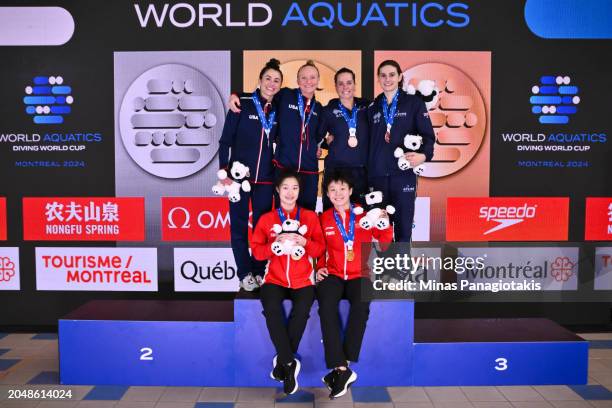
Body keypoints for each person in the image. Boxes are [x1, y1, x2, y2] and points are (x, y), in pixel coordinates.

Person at [315, 170, 393, 398]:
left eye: (342, 189)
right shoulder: (324, 218)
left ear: (350, 191)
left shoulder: (364, 215)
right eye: (332, 190)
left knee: (361, 307)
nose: (337, 194)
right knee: (326, 308)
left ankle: (341, 367)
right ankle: (342, 368)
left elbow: (386, 244)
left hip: (361, 273)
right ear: (327, 194)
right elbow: (320, 248)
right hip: (333, 274)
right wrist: (319, 266)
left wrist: (385, 225)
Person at [251, 170, 326, 395]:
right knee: (272, 310)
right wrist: (274, 242)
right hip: (274, 279)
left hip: (303, 279)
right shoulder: (267, 219)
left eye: (294, 188)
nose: (290, 192)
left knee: (302, 311)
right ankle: (289, 362)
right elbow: (256, 252)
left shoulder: (310, 217)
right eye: (285, 187)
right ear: (277, 190)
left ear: (299, 191)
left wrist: (305, 241)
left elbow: (320, 248)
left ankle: (284, 362)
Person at [218, 58, 283, 291]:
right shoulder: (242, 103)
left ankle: (258, 271)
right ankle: (244, 273)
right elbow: (225, 140)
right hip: (238, 180)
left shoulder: (279, 108)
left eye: (276, 81)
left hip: (266, 179)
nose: (271, 84)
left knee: (262, 228)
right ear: (260, 80)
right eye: (268, 79)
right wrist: (224, 171)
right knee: (237, 227)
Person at [230, 60, 324, 211]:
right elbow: (263, 94)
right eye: (303, 77)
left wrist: (321, 145)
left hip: (309, 171)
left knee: (307, 216)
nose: (308, 82)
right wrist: (237, 95)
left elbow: (318, 136)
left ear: (318, 80)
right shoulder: (285, 95)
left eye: (312, 77)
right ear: (297, 80)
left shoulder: (319, 108)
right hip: (284, 167)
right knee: (283, 215)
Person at [367, 60, 435, 243]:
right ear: (378, 79)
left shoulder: (414, 103)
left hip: (403, 176)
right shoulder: (373, 108)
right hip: (378, 176)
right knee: (382, 230)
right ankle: (385, 271)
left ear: (399, 77)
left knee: (404, 229)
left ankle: (402, 270)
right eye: (383, 75)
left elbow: (428, 136)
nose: (387, 79)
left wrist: (423, 155)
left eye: (391, 75)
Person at [318, 68, 369, 210]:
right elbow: (316, 137)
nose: (345, 87)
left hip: (361, 171)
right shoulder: (328, 110)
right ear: (335, 86)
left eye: (349, 82)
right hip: (336, 171)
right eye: (340, 83)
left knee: (360, 218)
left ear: (355, 84)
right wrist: (328, 143)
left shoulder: (367, 107)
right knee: (333, 217)